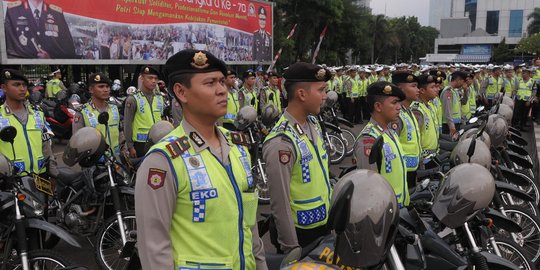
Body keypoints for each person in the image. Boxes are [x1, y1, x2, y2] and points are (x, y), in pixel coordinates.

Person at [135, 49, 266, 270]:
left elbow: (249, 225)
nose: (222, 90)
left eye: (222, 82)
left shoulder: (238, 147)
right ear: (181, 92)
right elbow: (155, 248)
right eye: (210, 83)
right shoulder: (164, 160)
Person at [262, 62, 332, 253]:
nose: (325, 96)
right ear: (301, 94)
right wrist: (291, 248)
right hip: (301, 235)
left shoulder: (312, 123)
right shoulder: (281, 142)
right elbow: (280, 203)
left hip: (322, 226)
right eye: (321, 90)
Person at [354, 81, 408, 208]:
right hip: (384, 210)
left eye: (399, 102)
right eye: (394, 103)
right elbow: (368, 187)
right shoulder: (368, 139)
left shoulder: (390, 132)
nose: (399, 107)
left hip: (399, 206)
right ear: (378, 106)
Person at [0, 69, 57, 177]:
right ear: (4, 88)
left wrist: (53, 174)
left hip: (40, 178)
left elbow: (47, 147)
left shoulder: (38, 114)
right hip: (10, 182)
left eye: (24, 85)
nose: (22, 89)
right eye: (16, 85)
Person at [4, 0, 76, 59]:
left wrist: (50, 58)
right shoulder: (13, 10)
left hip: (50, 66)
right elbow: (8, 45)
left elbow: (68, 49)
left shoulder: (56, 14)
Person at [72, 72, 121, 155]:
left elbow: (120, 131)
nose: (106, 90)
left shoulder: (114, 108)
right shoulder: (82, 112)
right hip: (94, 162)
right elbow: (77, 140)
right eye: (101, 86)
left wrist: (124, 149)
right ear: (91, 89)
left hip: (116, 160)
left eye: (107, 86)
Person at [124, 66, 165, 158]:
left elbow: (162, 119)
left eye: (155, 78)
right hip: (140, 144)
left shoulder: (159, 98)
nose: (154, 81)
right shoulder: (133, 99)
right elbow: (127, 123)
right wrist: (130, 146)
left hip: (158, 141)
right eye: (150, 78)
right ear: (142, 78)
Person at [391, 72, 421, 188]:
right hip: (402, 170)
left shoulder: (408, 111)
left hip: (411, 169)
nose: (418, 90)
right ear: (400, 89)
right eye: (413, 86)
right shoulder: (396, 115)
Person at [411, 75, 439, 158]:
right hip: (424, 157)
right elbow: (416, 137)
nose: (437, 89)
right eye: (433, 87)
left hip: (433, 154)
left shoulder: (429, 105)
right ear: (422, 90)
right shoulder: (417, 109)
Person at [440, 71, 468, 138]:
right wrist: (452, 128)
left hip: (456, 124)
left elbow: (463, 102)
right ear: (458, 80)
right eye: (463, 81)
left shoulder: (455, 91)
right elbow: (448, 111)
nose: (463, 84)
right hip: (449, 126)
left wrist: (465, 91)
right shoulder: (448, 91)